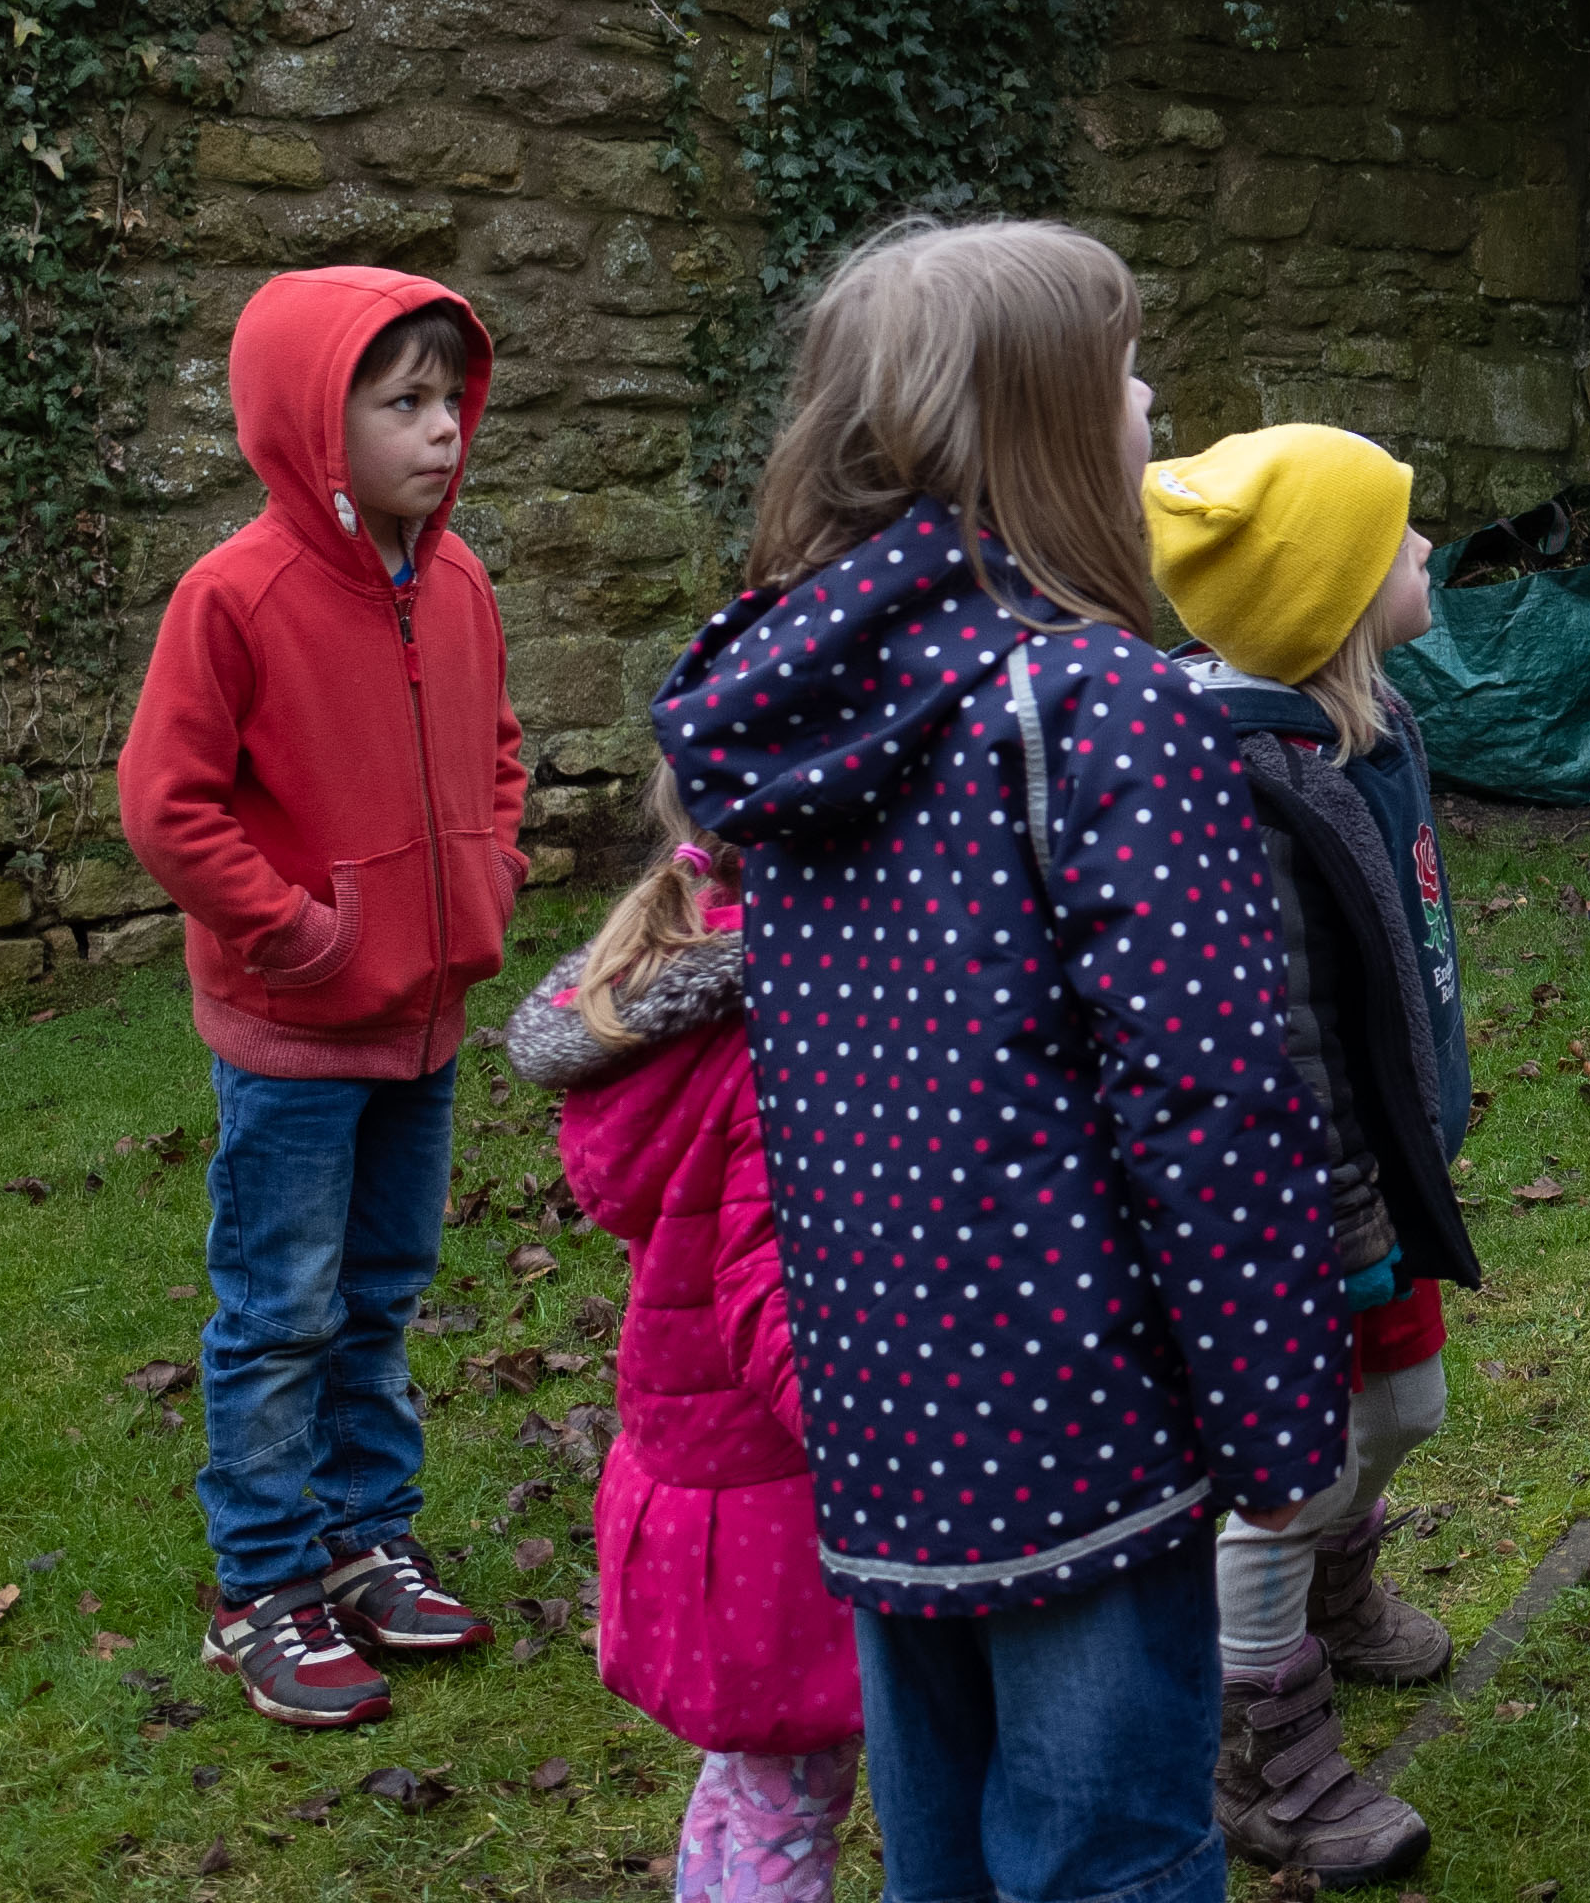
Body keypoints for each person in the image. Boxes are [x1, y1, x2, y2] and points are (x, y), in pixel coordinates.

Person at [653, 217, 1348, 1903]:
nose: (1151, 402)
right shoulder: (1104, 704)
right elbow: (1214, 1100)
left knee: (947, 1854)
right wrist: (1279, 1424)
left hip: (884, 1424)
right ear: (1032, 424)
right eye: (1125, 372)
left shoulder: (814, 708)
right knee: (1111, 1855)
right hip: (1082, 1425)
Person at [119, 267, 528, 1728]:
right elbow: (166, 804)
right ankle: (265, 1582)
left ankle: (364, 1537)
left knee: (380, 1295)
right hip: (296, 1035)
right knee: (280, 1310)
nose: (442, 429)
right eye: (402, 402)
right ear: (311, 421)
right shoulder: (236, 595)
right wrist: (296, 933)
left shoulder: (461, 582)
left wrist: (490, 871)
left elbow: (497, 751)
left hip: (424, 1027)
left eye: (449, 398)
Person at [1140, 423, 1479, 1884]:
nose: (1427, 547)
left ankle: (1333, 1598)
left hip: (1374, 1180)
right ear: (1333, 597)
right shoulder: (1246, 785)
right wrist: (1341, 1214)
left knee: (1401, 1409)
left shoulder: (1360, 727)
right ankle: (1258, 1736)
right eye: (1398, 535)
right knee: (1303, 1460)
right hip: (1305, 1211)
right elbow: (1276, 1034)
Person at [503, 790, 860, 1898]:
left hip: (689, 1480)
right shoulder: (775, 1028)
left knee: (751, 1782)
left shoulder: (663, 997)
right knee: (791, 1806)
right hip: (780, 1497)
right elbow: (767, 1291)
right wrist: (888, 1445)